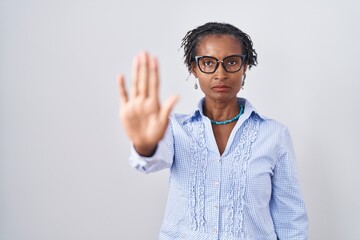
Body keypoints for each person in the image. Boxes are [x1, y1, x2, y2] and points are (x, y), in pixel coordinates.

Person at [117, 22, 308, 240]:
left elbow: (290, 218)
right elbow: (149, 162)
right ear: (194, 68)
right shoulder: (174, 128)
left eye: (232, 62)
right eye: (208, 63)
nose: (221, 73)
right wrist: (144, 144)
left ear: (245, 67)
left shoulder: (275, 135)